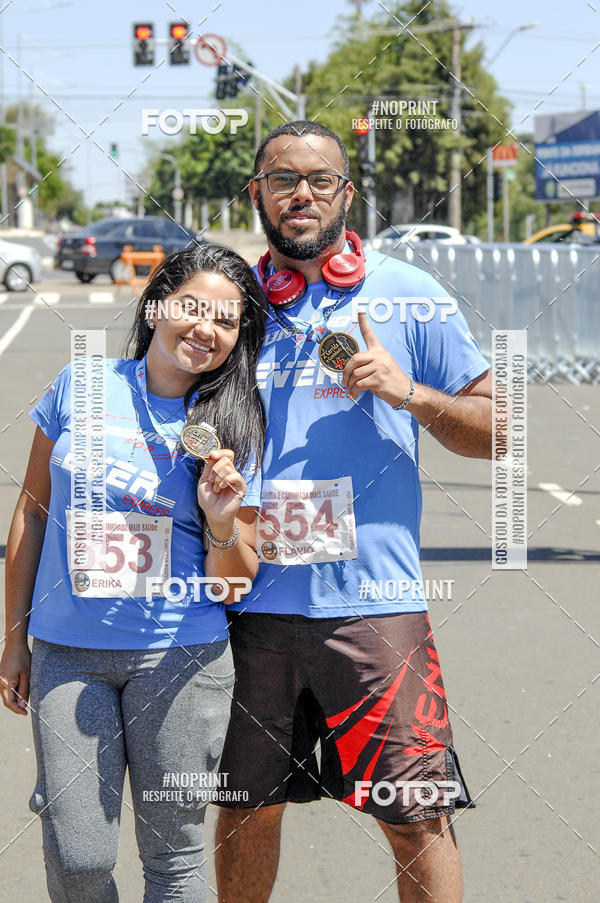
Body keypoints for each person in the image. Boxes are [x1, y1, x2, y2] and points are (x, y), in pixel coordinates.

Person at [214, 122, 493, 903]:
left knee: (415, 814)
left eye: (320, 179)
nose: (301, 193)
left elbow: (502, 431)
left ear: (348, 193)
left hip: (375, 611)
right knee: (245, 809)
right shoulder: (229, 306)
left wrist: (409, 392)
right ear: (256, 193)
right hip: (249, 607)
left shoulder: (409, 294)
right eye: (281, 179)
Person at [0, 244, 266, 902]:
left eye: (226, 322)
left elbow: (234, 583)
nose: (205, 329)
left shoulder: (229, 427)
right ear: (157, 306)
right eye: (193, 308)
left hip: (182, 659)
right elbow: (31, 513)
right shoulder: (80, 384)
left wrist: (221, 517)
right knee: (78, 852)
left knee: (175, 855)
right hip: (68, 653)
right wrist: (13, 635)